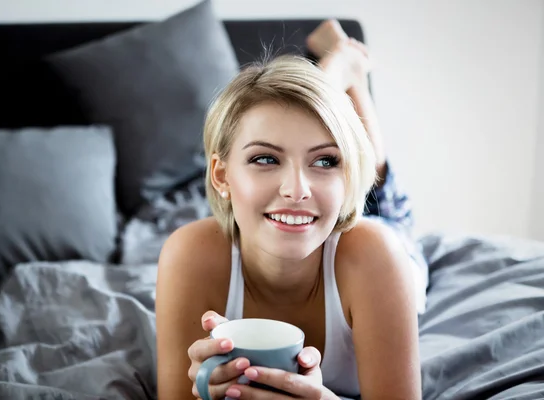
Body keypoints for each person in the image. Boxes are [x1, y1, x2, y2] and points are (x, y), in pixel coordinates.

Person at [155, 19, 427, 400]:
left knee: (379, 184)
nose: (296, 190)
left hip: (373, 225)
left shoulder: (379, 256)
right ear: (221, 175)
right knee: (311, 126)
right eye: (265, 158)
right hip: (325, 212)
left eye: (326, 161)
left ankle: (345, 66)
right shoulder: (188, 254)